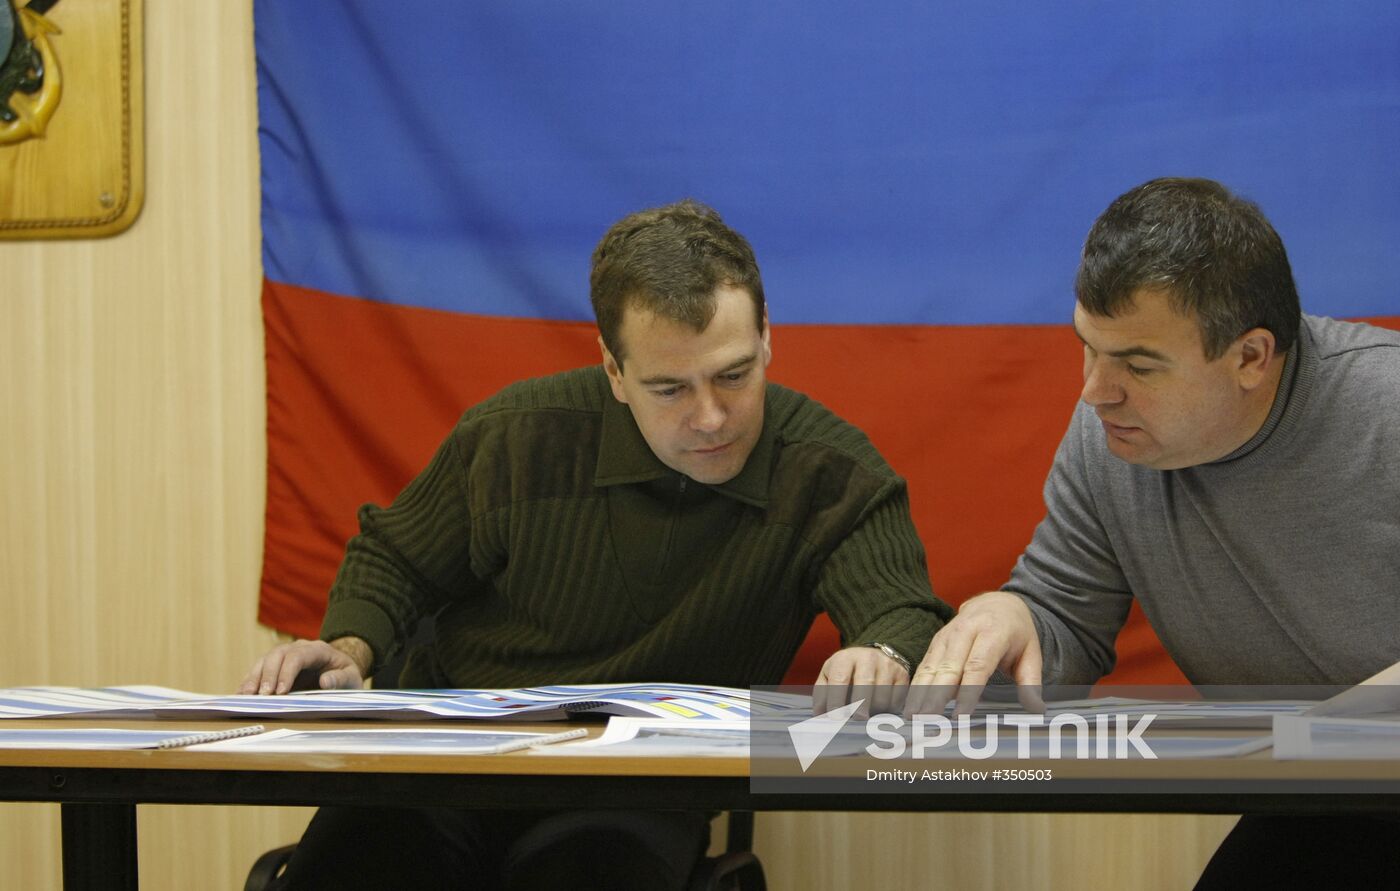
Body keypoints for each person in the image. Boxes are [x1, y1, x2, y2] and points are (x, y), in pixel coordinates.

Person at [241, 199, 952, 890]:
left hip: (640, 788)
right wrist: (350, 647)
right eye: (670, 388)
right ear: (613, 372)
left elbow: (907, 612)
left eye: (734, 374)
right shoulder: (516, 438)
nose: (711, 416)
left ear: (767, 335)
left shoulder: (831, 472)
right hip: (448, 766)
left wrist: (883, 652)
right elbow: (395, 557)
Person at [909, 177, 1400, 887]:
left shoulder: (1387, 408)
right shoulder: (1111, 436)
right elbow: (1062, 619)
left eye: (1139, 365)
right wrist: (1011, 616)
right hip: (1323, 799)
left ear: (1251, 359)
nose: (1095, 391)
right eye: (1089, 348)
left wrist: (1322, 737)